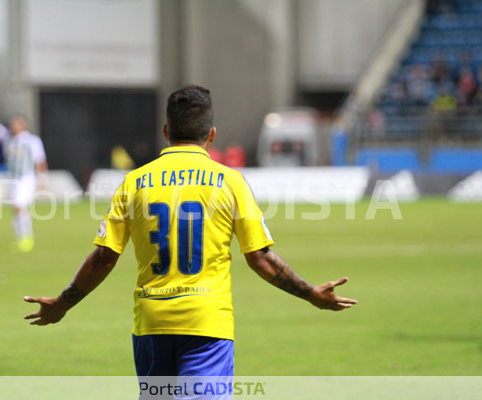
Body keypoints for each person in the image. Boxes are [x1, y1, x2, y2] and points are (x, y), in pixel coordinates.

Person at [23, 86, 357, 387]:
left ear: (166, 132)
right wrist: (311, 293)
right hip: (206, 324)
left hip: (152, 325)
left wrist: (62, 304)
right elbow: (261, 259)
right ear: (212, 135)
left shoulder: (134, 183)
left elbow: (104, 258)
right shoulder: (230, 183)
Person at [0, 100, 48, 253]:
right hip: (12, 179)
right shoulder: (8, 138)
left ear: (23, 125)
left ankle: (27, 238)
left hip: (26, 178)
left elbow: (40, 160)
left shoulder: (32, 141)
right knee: (15, 208)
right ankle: (21, 237)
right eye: (12, 123)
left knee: (19, 205)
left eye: (16, 123)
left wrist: (43, 179)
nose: (13, 126)